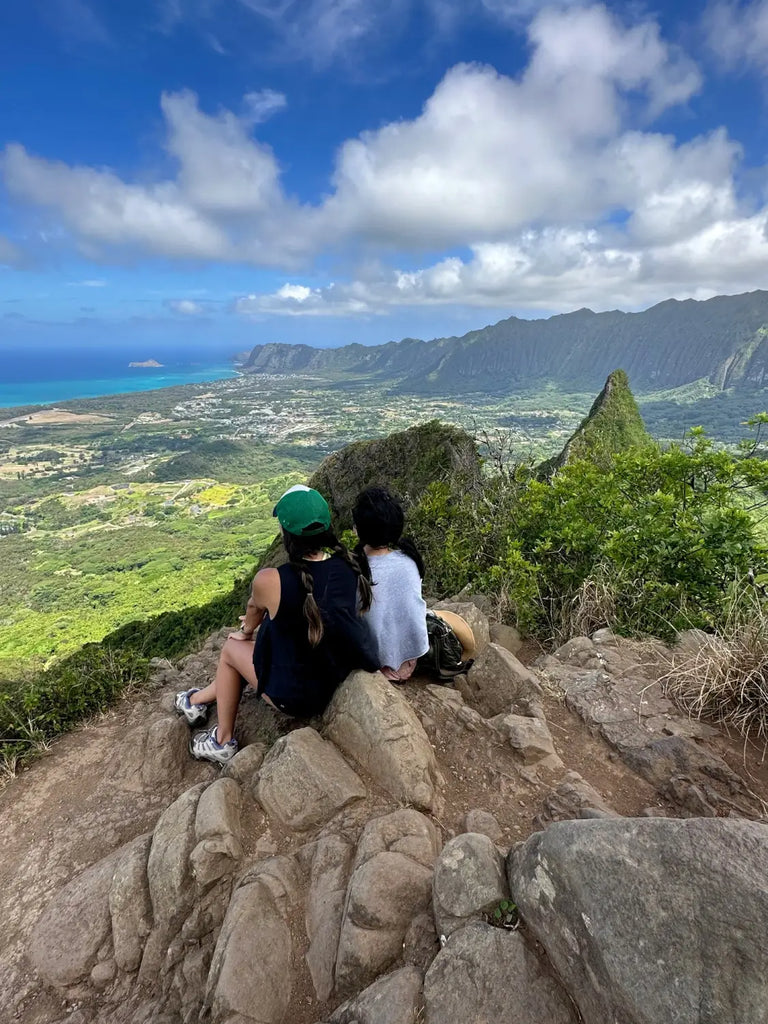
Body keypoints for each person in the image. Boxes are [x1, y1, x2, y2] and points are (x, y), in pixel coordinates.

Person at [175, 485, 377, 764]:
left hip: (293, 696)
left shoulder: (271, 580)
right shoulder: (351, 567)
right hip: (332, 680)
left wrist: (245, 631)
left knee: (231, 651)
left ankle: (222, 741)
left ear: (286, 534)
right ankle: (197, 700)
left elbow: (253, 612)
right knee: (260, 648)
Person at [352, 486, 429, 682]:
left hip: (377, 664)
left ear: (358, 529)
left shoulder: (356, 570)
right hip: (411, 660)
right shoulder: (410, 559)